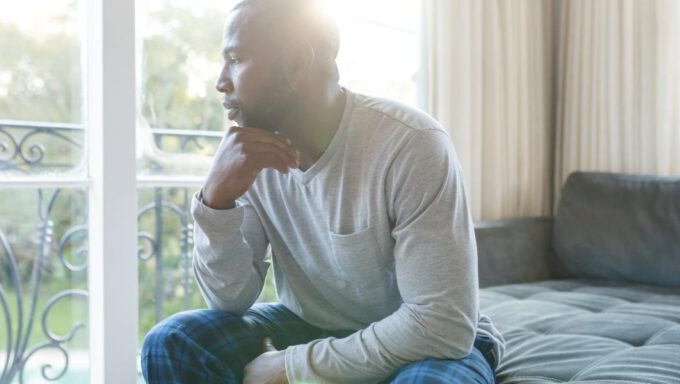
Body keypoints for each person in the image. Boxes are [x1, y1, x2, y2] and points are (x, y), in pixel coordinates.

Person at [141, 0, 504, 382]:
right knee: (173, 342)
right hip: (311, 325)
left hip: (424, 342)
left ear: (297, 62)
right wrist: (216, 201)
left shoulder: (410, 144)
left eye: (235, 59)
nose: (220, 81)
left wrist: (291, 367)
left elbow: (440, 324)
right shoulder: (250, 156)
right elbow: (229, 299)